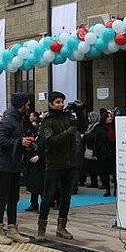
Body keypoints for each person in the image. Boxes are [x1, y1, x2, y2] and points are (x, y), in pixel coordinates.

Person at [0, 92, 32, 245]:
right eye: (27, 104)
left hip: (14, 164)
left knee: (14, 198)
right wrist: (19, 142)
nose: (29, 106)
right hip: (3, 165)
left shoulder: (19, 120)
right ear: (22, 105)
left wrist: (25, 145)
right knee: (3, 198)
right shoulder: (8, 120)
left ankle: (12, 228)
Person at [36, 91, 77, 241]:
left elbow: (80, 128)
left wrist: (79, 114)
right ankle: (41, 228)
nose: (61, 105)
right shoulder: (47, 121)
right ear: (51, 104)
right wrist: (67, 133)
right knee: (48, 197)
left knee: (66, 197)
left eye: (62, 102)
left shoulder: (67, 117)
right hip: (54, 164)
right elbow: (50, 141)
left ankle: (61, 227)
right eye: (58, 102)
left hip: (69, 162)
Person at [93, 109, 116, 197]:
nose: (110, 118)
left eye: (111, 117)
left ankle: (116, 189)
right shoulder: (99, 128)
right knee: (104, 172)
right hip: (104, 153)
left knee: (115, 172)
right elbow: (96, 141)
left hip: (113, 151)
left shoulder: (114, 127)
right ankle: (107, 189)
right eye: (108, 117)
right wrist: (95, 153)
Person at [24, 111, 43, 211]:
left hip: (41, 162)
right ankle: (34, 203)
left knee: (40, 185)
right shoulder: (35, 135)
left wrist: (40, 156)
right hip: (31, 160)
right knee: (33, 185)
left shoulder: (45, 136)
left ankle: (44, 205)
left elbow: (48, 148)